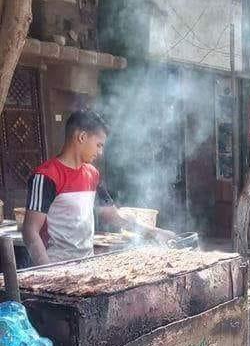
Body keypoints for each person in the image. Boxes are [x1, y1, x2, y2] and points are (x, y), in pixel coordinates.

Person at [23, 110, 173, 266]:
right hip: (56, 266)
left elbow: (113, 216)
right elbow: (30, 231)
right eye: (99, 145)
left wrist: (155, 232)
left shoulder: (92, 174)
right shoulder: (46, 176)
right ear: (82, 137)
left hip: (87, 264)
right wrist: (48, 270)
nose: (100, 152)